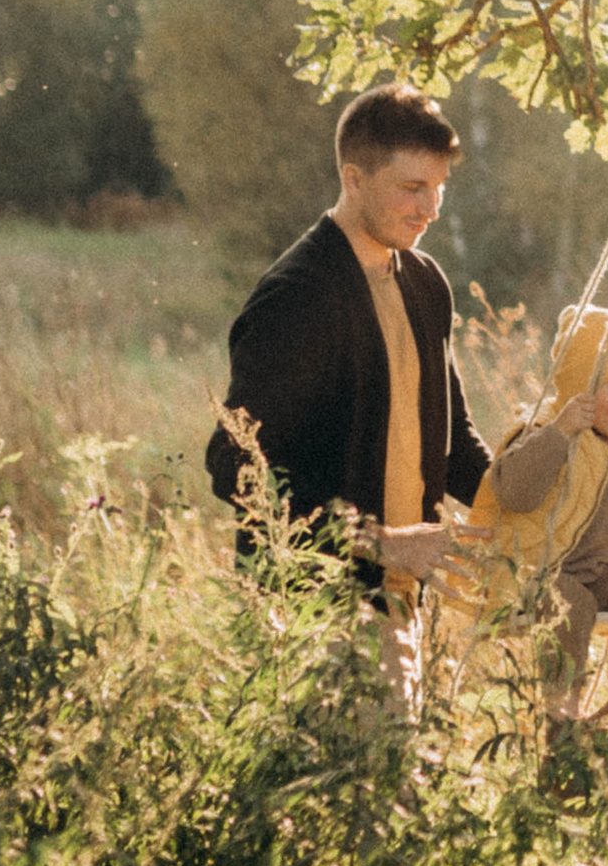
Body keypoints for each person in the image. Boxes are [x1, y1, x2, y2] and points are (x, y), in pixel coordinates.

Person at [206, 83, 491, 664]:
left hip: (400, 610)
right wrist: (381, 543)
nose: (431, 209)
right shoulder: (298, 297)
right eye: (412, 187)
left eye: (439, 188)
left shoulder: (425, 282)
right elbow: (234, 465)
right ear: (354, 179)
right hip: (310, 615)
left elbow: (452, 444)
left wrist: (548, 491)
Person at [463, 305, 608, 765]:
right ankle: (562, 734)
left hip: (601, 572)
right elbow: (513, 492)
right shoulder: (543, 434)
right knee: (573, 605)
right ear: (582, 388)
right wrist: (561, 432)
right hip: (534, 572)